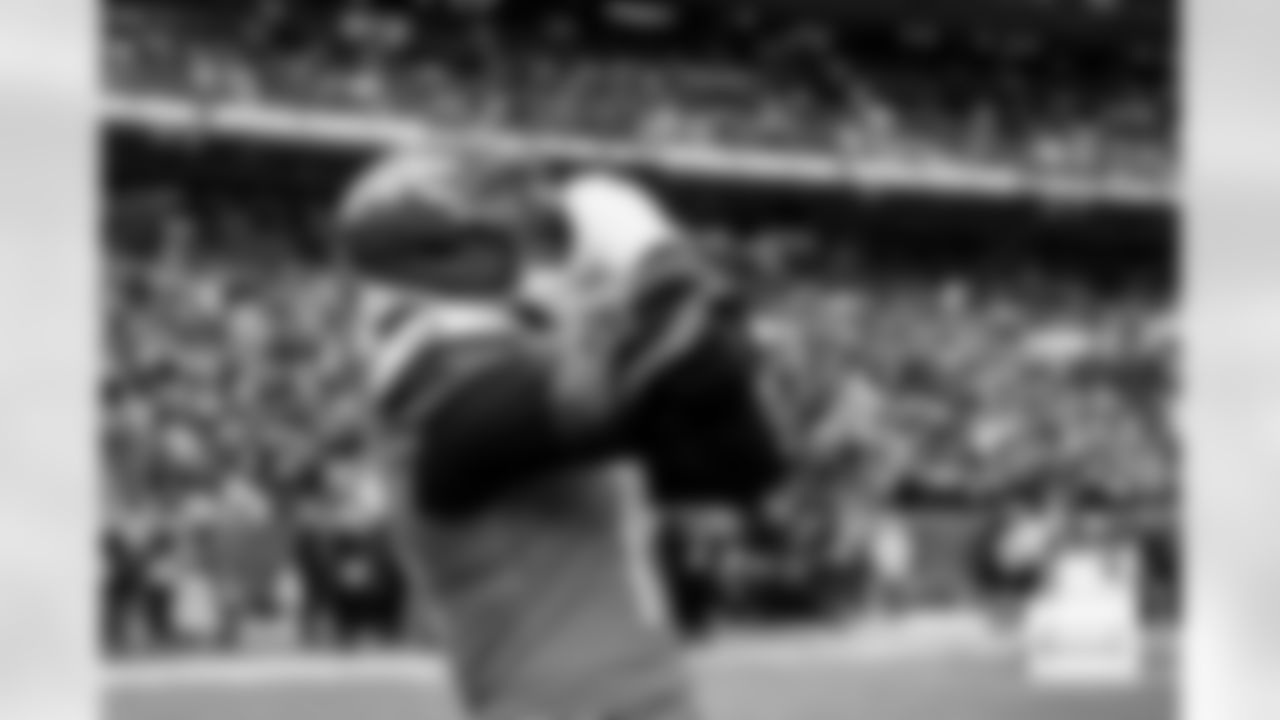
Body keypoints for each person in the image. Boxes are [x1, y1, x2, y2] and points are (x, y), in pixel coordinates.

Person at [329, 148, 787, 720]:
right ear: (449, 259)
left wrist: (704, 306)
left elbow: (746, 462)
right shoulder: (445, 410)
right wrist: (656, 258)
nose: (548, 261)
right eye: (521, 238)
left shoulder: (517, 390)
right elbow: (678, 368)